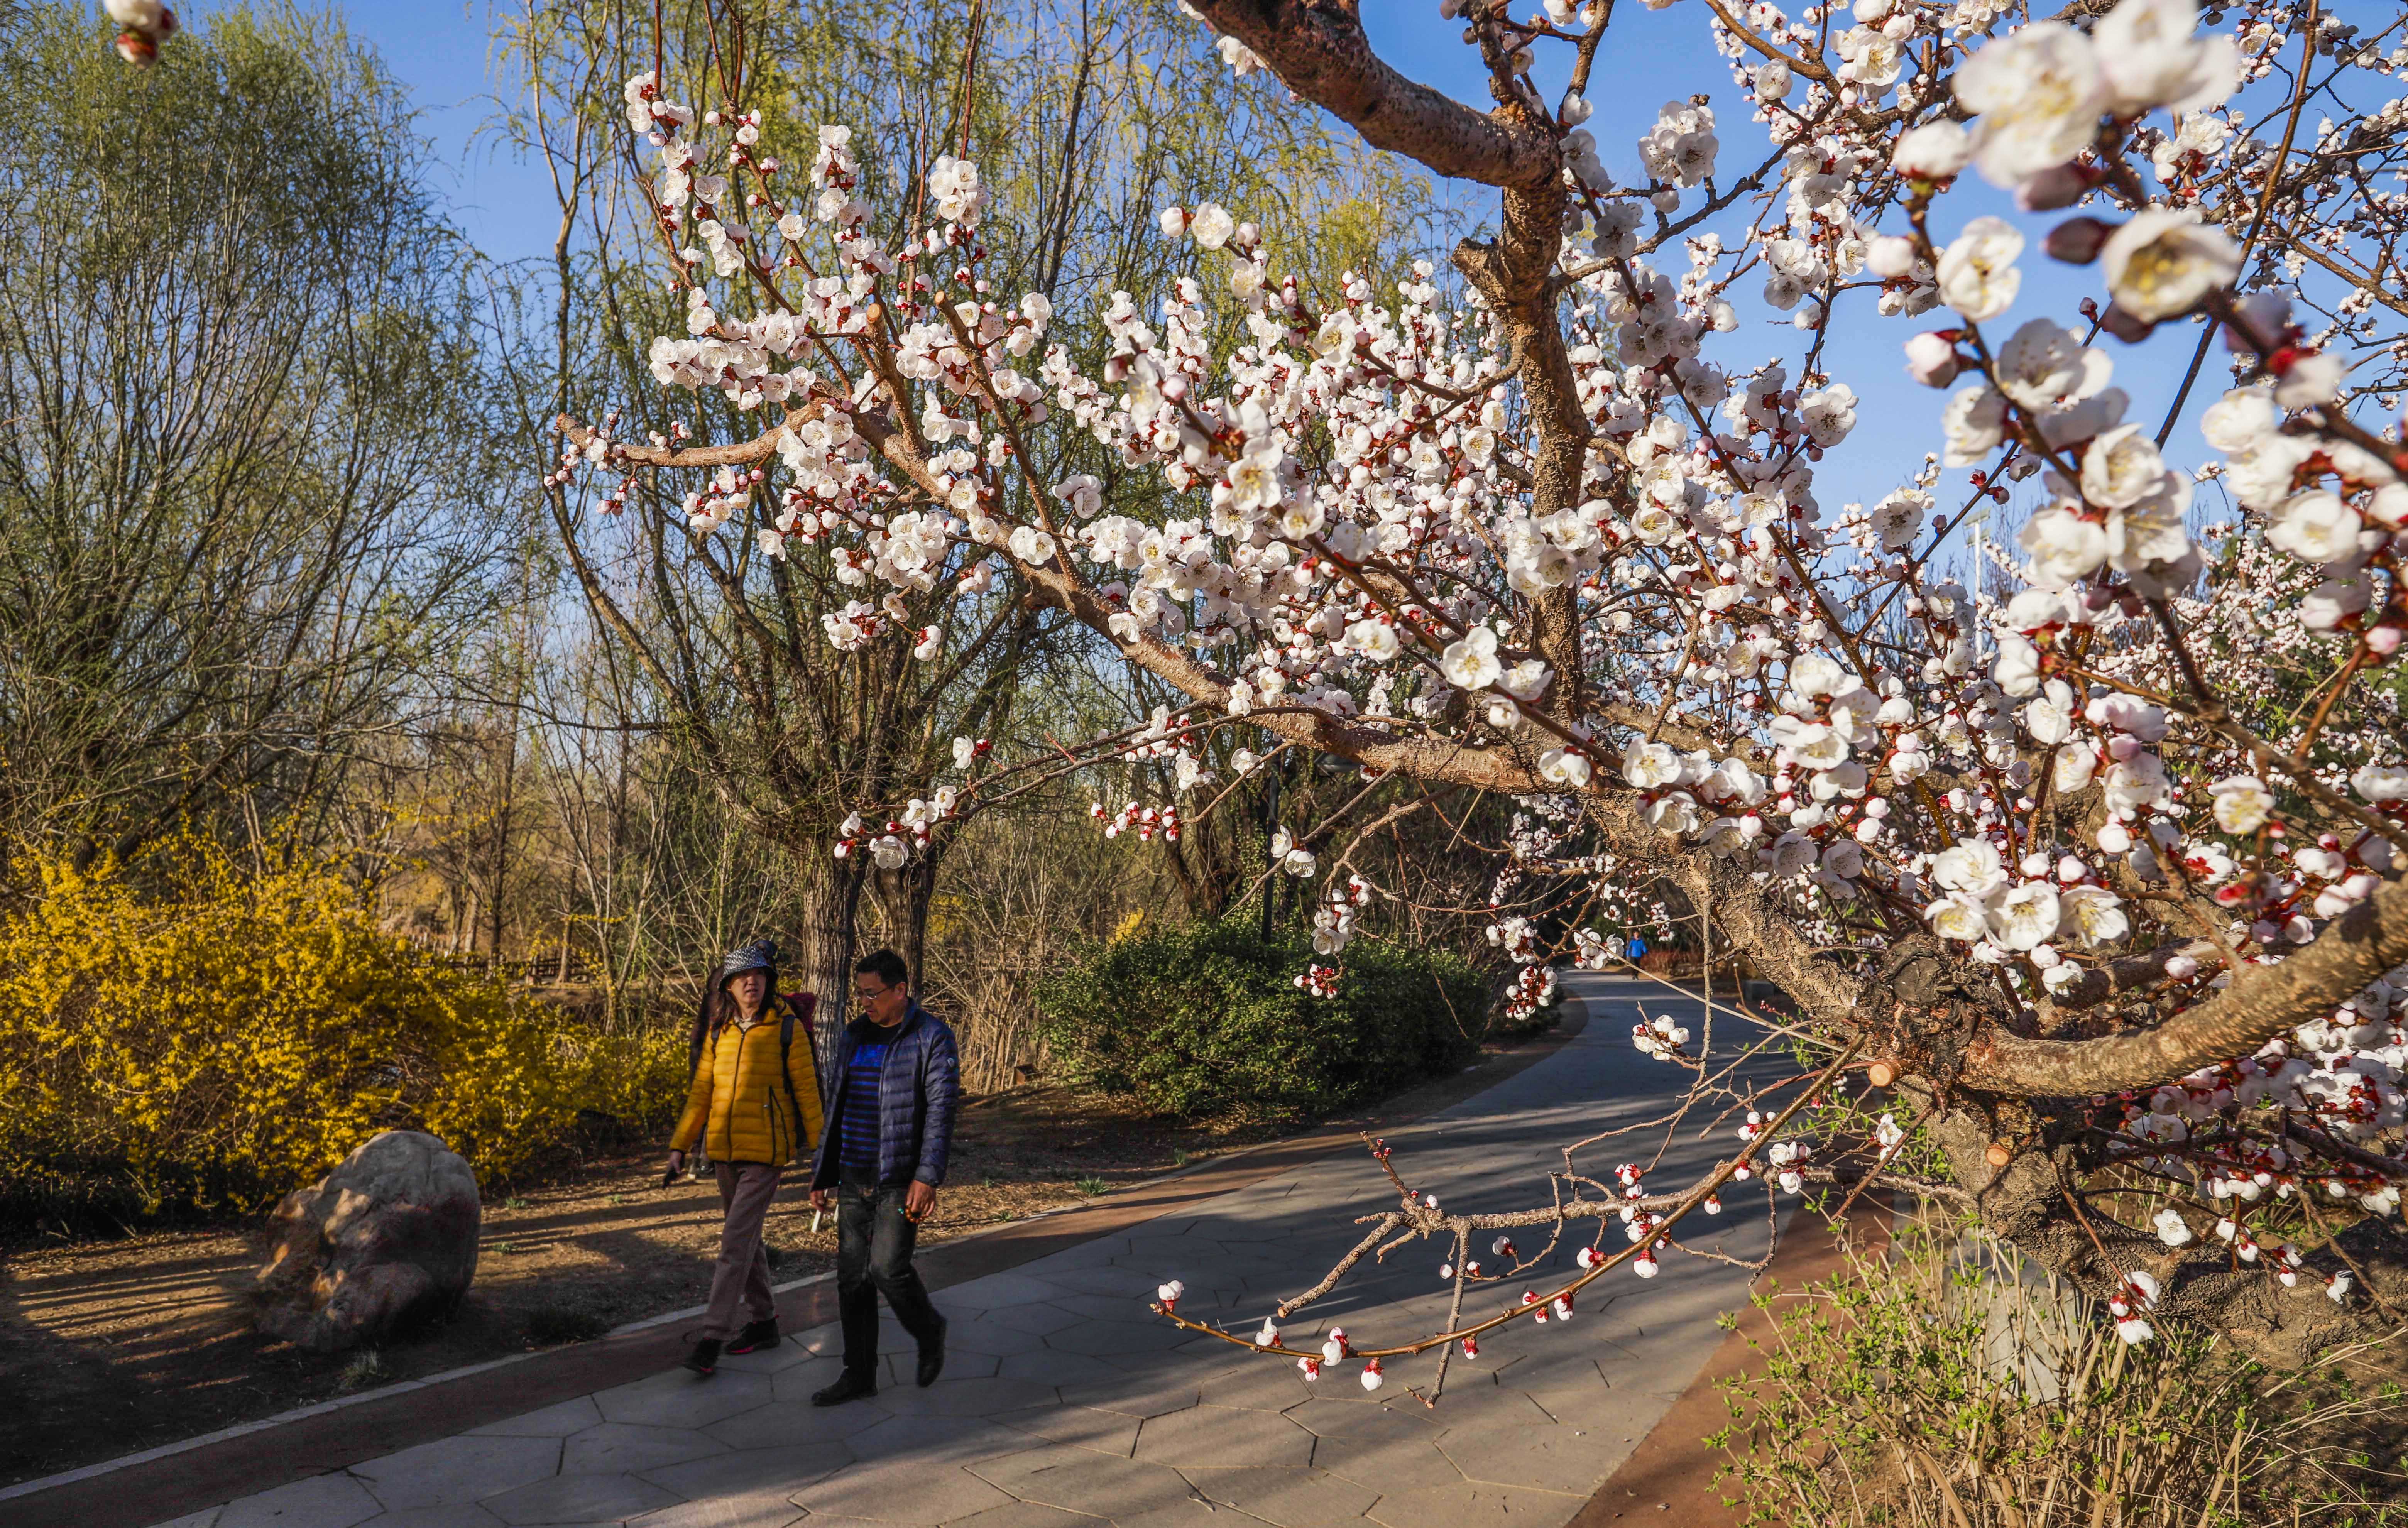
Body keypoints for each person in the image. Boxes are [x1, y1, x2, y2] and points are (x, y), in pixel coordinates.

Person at [805, 947, 960, 1405]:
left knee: (887, 1267)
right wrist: (823, 1173)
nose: (865, 1002)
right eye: (860, 993)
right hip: (854, 1173)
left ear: (900, 990)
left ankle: (929, 1329)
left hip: (899, 1174)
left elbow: (942, 1111)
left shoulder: (932, 1037)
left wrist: (927, 1176)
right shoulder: (855, 1035)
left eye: (872, 994)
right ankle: (858, 1375)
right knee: (851, 1279)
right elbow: (837, 1108)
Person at [664, 938, 823, 1377]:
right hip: (724, 1150)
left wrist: (823, 1157)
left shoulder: (786, 1027)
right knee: (746, 1242)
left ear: (768, 982)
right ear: (729, 987)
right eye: (740, 977)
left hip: (767, 1153)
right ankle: (765, 1323)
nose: (750, 982)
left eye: (758, 975)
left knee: (734, 1242)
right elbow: (702, 1092)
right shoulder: (721, 1030)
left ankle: (712, 1336)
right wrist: (681, 1146)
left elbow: (808, 1093)